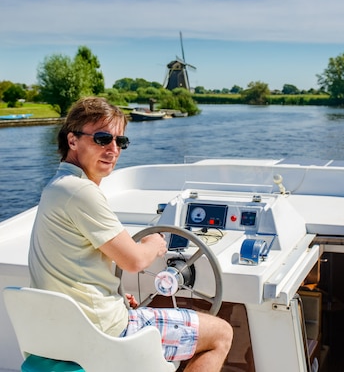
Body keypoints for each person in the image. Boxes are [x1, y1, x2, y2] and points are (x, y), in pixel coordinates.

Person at [29, 97, 232, 371]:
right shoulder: (81, 191)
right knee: (220, 333)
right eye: (102, 139)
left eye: (120, 142)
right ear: (72, 141)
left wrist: (117, 298)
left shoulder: (58, 187)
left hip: (68, 328)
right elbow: (134, 261)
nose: (113, 149)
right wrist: (155, 243)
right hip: (105, 330)